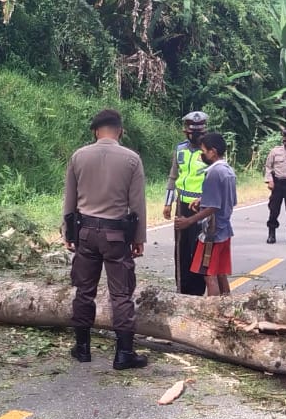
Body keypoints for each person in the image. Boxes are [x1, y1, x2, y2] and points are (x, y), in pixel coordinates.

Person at [63, 108, 148, 370]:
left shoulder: (79, 156)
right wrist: (139, 237)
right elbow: (137, 204)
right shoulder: (132, 160)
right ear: (120, 131)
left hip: (86, 232)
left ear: (95, 132)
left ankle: (83, 348)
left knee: (84, 290)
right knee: (121, 294)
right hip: (116, 234)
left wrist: (69, 232)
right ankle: (123, 353)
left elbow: (70, 199)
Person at [176, 132, 237, 296]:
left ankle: (212, 313)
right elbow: (226, 199)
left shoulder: (213, 173)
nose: (201, 155)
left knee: (209, 276)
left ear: (213, 152)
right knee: (220, 273)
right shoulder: (228, 170)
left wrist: (188, 221)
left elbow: (212, 207)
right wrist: (202, 199)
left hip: (212, 232)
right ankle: (228, 307)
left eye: (203, 151)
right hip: (225, 230)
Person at [162, 111, 210, 295]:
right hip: (182, 205)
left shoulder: (210, 150)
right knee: (181, 249)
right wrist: (168, 203)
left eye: (200, 132)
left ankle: (197, 291)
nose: (196, 136)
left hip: (202, 207)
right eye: (192, 132)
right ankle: (182, 288)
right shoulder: (180, 149)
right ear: (186, 132)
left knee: (199, 248)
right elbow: (173, 176)